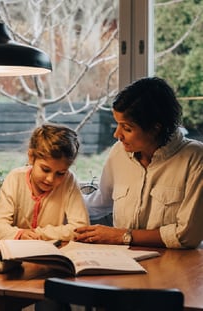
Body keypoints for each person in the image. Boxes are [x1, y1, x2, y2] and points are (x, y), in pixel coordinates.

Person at [74, 76, 203, 249]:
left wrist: (123, 236)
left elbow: (187, 235)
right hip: (123, 262)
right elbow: (100, 203)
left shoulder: (195, 158)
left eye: (127, 128)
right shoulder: (119, 152)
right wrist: (58, 198)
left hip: (174, 266)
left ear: (155, 128)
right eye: (117, 125)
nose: (117, 135)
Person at [0, 123, 89, 241]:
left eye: (60, 173)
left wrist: (39, 234)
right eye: (45, 169)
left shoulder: (69, 181)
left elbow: (81, 227)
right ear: (31, 157)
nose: (50, 179)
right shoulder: (15, 178)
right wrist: (20, 234)